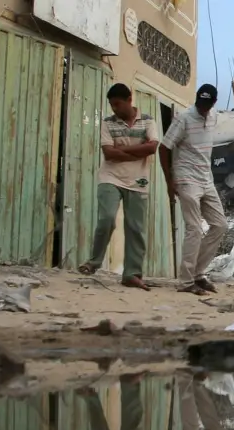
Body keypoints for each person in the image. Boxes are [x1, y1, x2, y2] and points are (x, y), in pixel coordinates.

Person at [78, 84, 158, 289]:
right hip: (110, 177)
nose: (114, 109)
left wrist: (123, 149)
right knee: (106, 219)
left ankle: (132, 274)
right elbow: (109, 153)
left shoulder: (148, 121)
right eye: (111, 105)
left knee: (135, 228)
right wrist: (136, 151)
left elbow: (152, 147)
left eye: (117, 104)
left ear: (129, 100)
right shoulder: (107, 123)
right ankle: (94, 261)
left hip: (138, 181)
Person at [159, 84, 227, 297]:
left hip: (206, 179)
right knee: (194, 228)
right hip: (186, 178)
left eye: (207, 104)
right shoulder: (184, 118)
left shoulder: (214, 115)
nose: (203, 108)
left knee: (220, 225)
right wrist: (170, 181)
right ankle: (186, 281)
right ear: (196, 100)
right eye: (200, 103)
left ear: (213, 103)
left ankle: (198, 273)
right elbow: (164, 147)